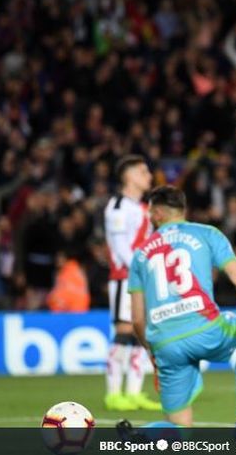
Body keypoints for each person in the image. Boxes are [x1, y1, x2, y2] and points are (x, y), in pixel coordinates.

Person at [124, 185, 236, 436]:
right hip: (206, 328)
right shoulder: (207, 233)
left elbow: (136, 320)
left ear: (156, 213)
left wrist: (153, 353)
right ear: (181, 209)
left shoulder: (140, 254)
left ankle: (138, 436)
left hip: (165, 343)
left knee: (181, 430)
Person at [104, 155, 161, 411]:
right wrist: (142, 271)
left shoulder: (142, 208)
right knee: (124, 332)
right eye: (143, 171)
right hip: (124, 278)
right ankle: (114, 394)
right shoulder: (117, 206)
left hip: (143, 278)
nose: (148, 176)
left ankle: (134, 392)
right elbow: (120, 248)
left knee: (141, 334)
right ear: (128, 176)